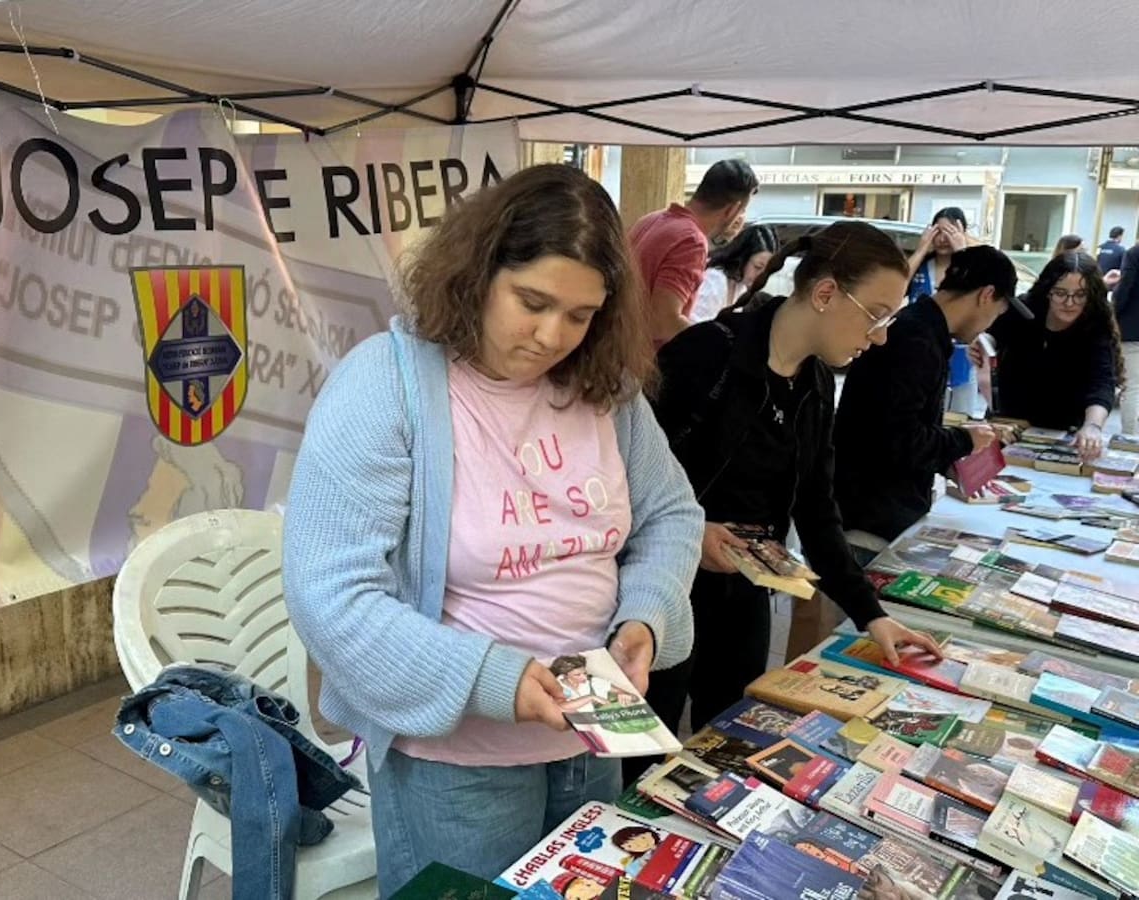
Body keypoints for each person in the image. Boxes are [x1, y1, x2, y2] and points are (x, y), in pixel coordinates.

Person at [281, 164, 704, 895]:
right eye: (532, 302)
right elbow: (330, 595)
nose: (552, 336)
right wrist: (493, 681)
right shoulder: (385, 385)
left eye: (582, 315)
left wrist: (645, 616)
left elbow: (671, 513)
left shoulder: (605, 390)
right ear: (477, 274)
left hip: (591, 739)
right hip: (456, 764)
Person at [621, 221, 943, 786]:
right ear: (825, 294)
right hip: (663, 596)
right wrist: (692, 532)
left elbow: (817, 511)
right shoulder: (706, 355)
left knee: (728, 750)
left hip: (744, 599)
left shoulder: (815, 385)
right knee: (641, 759)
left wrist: (872, 615)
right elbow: (622, 477)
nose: (879, 337)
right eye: (876, 315)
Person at [834, 247, 1030, 553]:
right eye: (998, 312)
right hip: (869, 522)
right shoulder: (915, 339)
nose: (990, 324)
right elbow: (898, 438)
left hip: (877, 509)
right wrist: (963, 440)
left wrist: (946, 461)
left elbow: (900, 428)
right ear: (986, 295)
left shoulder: (923, 329)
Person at [974, 251, 1124, 461]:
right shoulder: (1023, 309)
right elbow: (990, 335)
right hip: (1008, 422)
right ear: (1047, 290)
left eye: (1080, 294)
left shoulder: (1095, 325)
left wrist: (1092, 426)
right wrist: (981, 344)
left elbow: (1101, 382)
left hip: (1063, 428)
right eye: (1060, 293)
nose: (1069, 303)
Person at [629, 158, 759, 345]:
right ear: (732, 210)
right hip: (643, 357)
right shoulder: (692, 242)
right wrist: (718, 342)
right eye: (742, 211)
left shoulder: (651, 220)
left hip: (617, 348)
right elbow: (663, 323)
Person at [691, 224, 779, 323]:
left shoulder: (741, 286)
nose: (760, 276)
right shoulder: (715, 279)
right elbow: (696, 324)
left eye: (766, 270)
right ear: (742, 258)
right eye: (757, 267)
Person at [906, 207, 968, 303]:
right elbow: (898, 282)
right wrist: (921, 250)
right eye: (938, 232)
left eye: (949, 232)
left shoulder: (972, 267)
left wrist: (961, 251)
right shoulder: (920, 267)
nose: (942, 239)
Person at [1112, 239, 1139, 433]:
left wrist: (1113, 314)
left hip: (1133, 329)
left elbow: (1124, 290)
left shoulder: (1134, 254)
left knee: (1132, 387)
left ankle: (1131, 439)